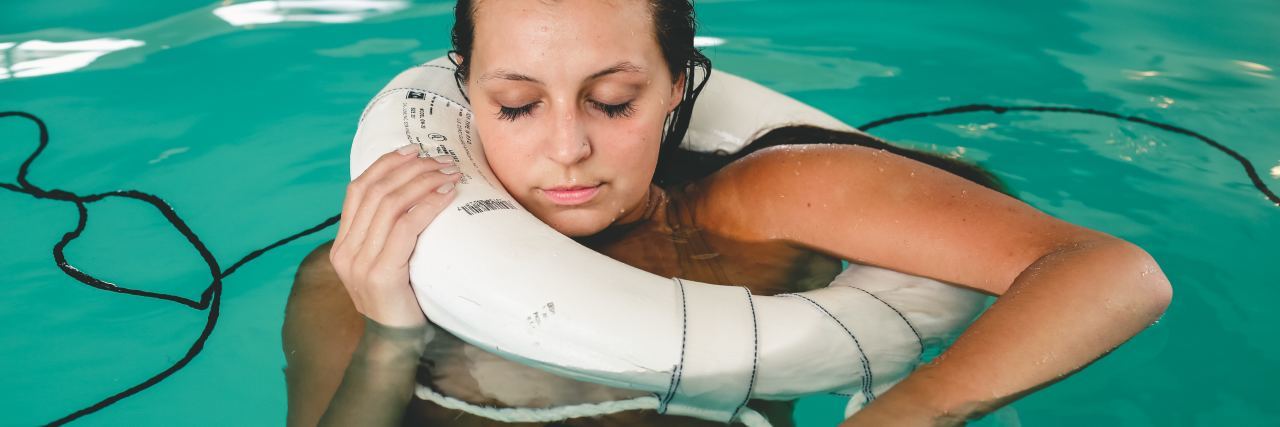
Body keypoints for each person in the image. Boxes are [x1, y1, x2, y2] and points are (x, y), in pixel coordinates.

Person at [282, 0, 1173, 425]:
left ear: (677, 89)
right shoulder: (359, 272)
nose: (566, 148)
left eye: (614, 100)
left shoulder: (749, 208)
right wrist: (390, 338)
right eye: (517, 105)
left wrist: (912, 412)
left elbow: (1112, 271)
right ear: (466, 98)